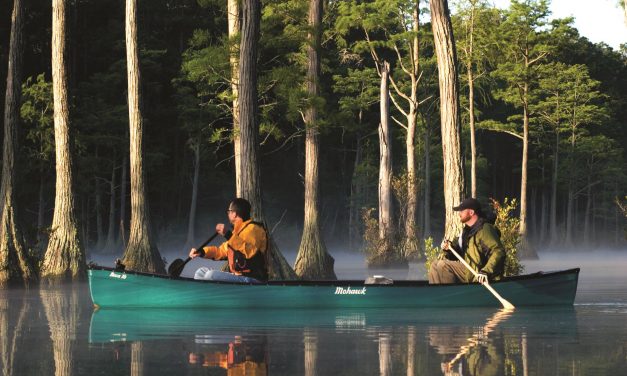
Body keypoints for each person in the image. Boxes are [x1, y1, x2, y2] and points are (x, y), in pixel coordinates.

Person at [189, 198, 268, 283]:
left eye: (229, 211)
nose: (228, 214)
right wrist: (201, 252)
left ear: (234, 214)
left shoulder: (254, 229)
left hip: (252, 279)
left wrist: (228, 235)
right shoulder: (237, 232)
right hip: (237, 276)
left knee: (210, 275)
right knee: (200, 272)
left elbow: (249, 251)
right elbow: (220, 251)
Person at [428, 198, 505, 285]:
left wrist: (485, 271)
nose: (459, 213)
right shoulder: (466, 232)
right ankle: (439, 295)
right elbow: (458, 254)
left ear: (471, 212)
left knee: (443, 265)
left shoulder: (485, 229)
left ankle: (450, 296)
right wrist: (449, 249)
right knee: (434, 265)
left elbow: (499, 252)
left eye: (462, 211)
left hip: (481, 275)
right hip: (470, 272)